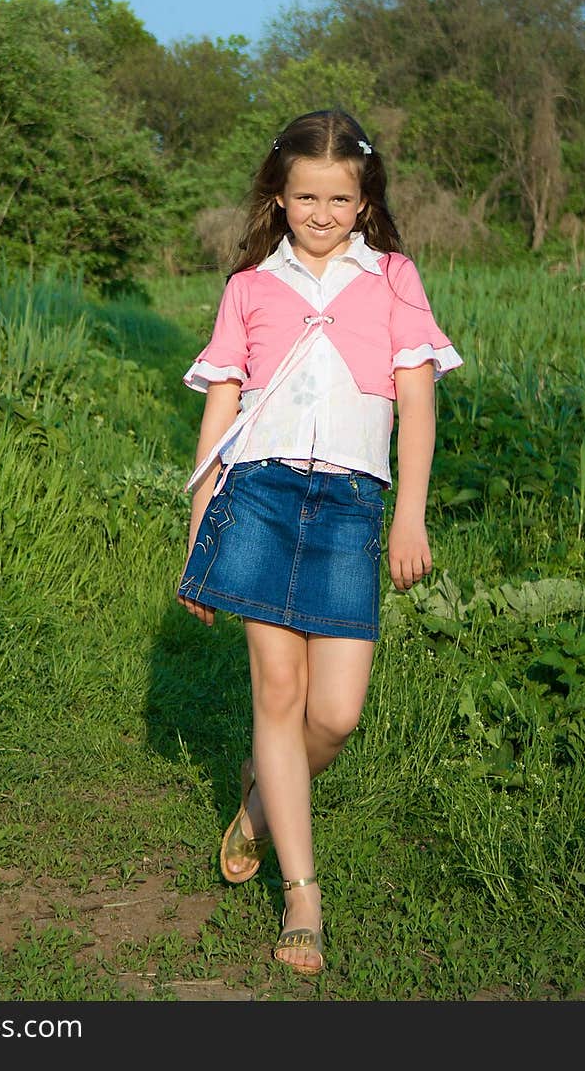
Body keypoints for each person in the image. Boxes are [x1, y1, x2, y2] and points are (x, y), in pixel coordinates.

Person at [176, 107, 462, 975]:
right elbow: (220, 408)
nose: (323, 212)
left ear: (365, 198)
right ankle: (304, 892)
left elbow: (417, 400)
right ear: (280, 193)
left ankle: (262, 799)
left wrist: (409, 511)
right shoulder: (251, 286)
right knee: (277, 689)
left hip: (348, 506)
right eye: (306, 195)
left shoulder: (393, 279)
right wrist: (199, 533)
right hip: (257, 495)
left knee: (334, 713)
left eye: (341, 196)